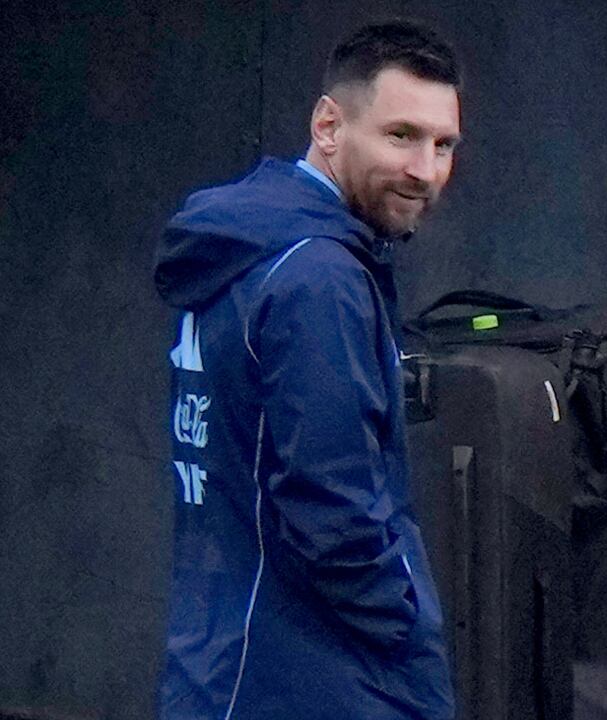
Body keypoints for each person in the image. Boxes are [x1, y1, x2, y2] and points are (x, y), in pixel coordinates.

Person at [153, 19, 461, 720]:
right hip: (318, 681)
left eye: (443, 145)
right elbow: (332, 508)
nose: (426, 170)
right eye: (401, 136)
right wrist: (406, 627)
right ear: (328, 126)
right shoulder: (318, 277)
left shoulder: (247, 244)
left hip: (220, 663)